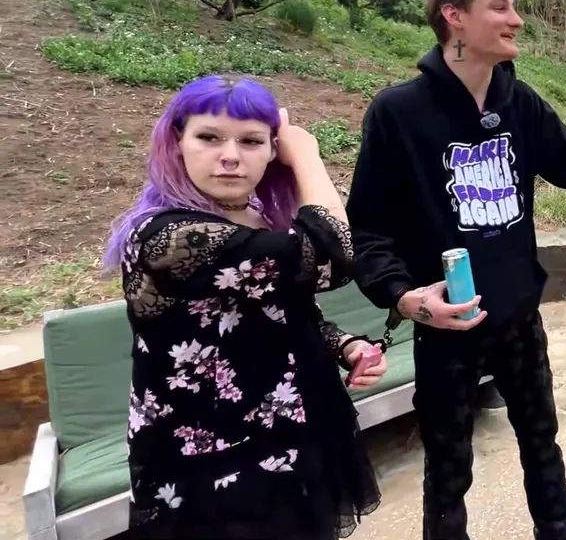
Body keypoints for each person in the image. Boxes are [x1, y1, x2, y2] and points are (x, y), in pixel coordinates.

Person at [345, 0, 566, 540]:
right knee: (449, 464)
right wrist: (406, 298)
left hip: (517, 316)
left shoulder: (519, 102)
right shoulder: (398, 113)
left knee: (542, 438)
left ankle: (562, 531)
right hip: (448, 325)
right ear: (454, 16)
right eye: (501, 7)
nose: (517, 20)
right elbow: (370, 230)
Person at [102, 75, 387, 539]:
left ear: (270, 150)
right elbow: (335, 255)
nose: (230, 156)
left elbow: (280, 309)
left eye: (251, 141)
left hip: (291, 430)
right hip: (215, 458)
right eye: (209, 137)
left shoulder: (257, 216)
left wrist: (344, 344)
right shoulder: (171, 237)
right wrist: (306, 153)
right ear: (177, 143)